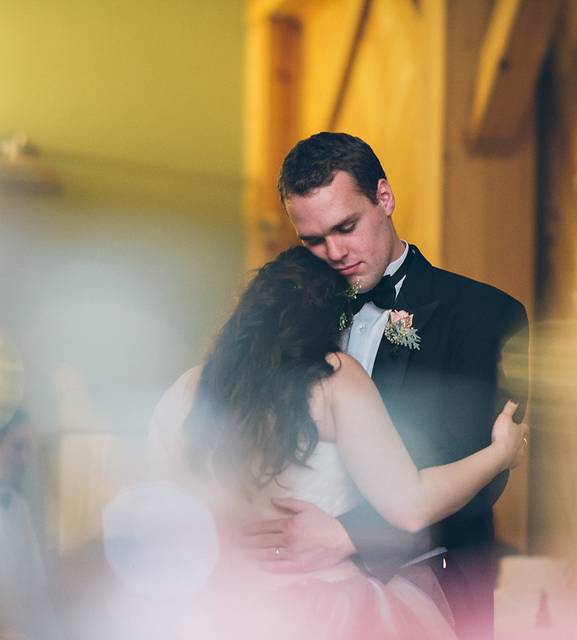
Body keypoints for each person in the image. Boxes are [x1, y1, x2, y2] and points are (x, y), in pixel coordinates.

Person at [148, 246, 528, 639]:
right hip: (323, 610)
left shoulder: (187, 389)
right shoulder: (333, 380)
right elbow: (411, 507)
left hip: (219, 608)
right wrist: (500, 453)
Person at [245, 132, 529, 640]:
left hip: (436, 590)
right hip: (303, 597)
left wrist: (344, 535)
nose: (333, 252)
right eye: (313, 240)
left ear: (384, 197)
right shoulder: (294, 320)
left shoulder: (485, 315)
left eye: (346, 227)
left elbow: (479, 473)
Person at [0, 409, 62, 640]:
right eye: (18, 446)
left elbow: (36, 588)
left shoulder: (19, 508)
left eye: (28, 449)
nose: (24, 458)